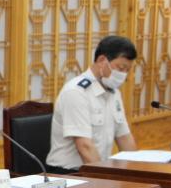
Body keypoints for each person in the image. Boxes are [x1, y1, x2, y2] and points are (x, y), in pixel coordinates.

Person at [46, 35, 138, 173]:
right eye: (120, 68)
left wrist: (139, 171)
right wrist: (104, 177)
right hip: (69, 173)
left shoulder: (114, 93)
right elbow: (84, 146)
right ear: (102, 60)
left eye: (127, 70)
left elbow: (124, 137)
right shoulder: (76, 92)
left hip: (97, 169)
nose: (123, 75)